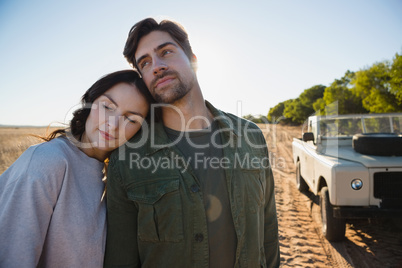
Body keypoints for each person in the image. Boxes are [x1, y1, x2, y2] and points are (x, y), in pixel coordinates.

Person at [104, 18, 280, 268]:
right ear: (142, 77)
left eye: (166, 52)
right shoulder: (126, 158)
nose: (156, 66)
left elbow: (269, 232)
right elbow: (121, 259)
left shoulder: (250, 136)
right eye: (145, 62)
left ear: (193, 60)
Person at [0, 70, 153, 268]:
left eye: (131, 119)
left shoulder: (115, 180)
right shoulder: (48, 161)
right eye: (107, 107)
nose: (113, 125)